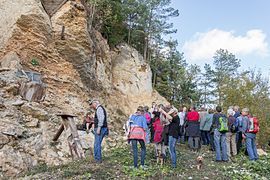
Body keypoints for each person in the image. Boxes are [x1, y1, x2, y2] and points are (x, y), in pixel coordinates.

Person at [89, 99, 109, 163]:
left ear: (95, 103)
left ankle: (98, 159)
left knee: (97, 144)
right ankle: (97, 158)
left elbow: (101, 119)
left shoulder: (99, 109)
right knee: (97, 143)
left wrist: (99, 128)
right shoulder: (100, 108)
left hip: (100, 128)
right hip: (103, 128)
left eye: (92, 105)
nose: (92, 106)